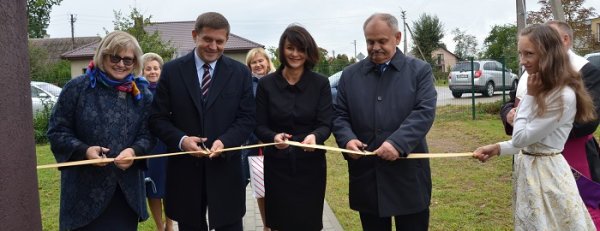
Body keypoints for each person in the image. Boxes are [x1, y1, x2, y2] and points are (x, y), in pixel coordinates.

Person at [474, 23, 596, 230]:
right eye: (521, 54)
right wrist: (497, 148)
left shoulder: (561, 95)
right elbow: (532, 144)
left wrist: (529, 96)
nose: (523, 61)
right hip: (532, 173)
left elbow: (521, 138)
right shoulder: (544, 88)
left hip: (547, 178)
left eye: (529, 54)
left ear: (549, 54)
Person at [148, 12, 255, 231]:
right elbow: (157, 118)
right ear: (195, 35)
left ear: (226, 40)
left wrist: (226, 142)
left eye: (219, 41)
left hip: (226, 170)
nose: (213, 46)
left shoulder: (240, 73)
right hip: (186, 172)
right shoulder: (171, 70)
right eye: (207, 39)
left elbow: (247, 118)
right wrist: (181, 140)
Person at [332, 13, 437, 231]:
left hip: (408, 177)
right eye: (370, 41)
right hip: (368, 178)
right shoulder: (350, 76)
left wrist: (397, 143)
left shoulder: (419, 71)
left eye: (382, 41)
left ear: (397, 38)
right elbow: (339, 115)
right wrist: (347, 140)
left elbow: (424, 112)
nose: (375, 47)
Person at [46, 30, 154, 230]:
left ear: (135, 63)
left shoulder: (142, 95)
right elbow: (57, 131)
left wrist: (134, 151)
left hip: (125, 193)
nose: (121, 64)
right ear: (102, 56)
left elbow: (148, 135)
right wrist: (85, 150)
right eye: (115, 57)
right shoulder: (77, 88)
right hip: (83, 193)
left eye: (128, 60)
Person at [254, 24, 333, 231]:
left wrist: (315, 137)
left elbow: (325, 124)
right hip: (277, 166)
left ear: (309, 52)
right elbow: (259, 125)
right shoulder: (266, 84)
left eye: (301, 49)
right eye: (290, 48)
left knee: (308, 223)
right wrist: (273, 137)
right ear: (282, 49)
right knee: (279, 222)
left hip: (310, 166)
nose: (295, 54)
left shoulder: (320, 84)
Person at [243, 47, 275, 231]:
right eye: (253, 62)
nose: (257, 65)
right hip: (256, 144)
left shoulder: (278, 81)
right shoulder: (247, 85)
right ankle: (266, 225)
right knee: (260, 188)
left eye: (260, 60)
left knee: (278, 187)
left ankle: (280, 221)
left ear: (268, 62)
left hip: (276, 143)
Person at [141, 52, 174, 231]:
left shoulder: (168, 89)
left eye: (156, 68)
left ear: (161, 70)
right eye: (148, 68)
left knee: (168, 187)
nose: (152, 72)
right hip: (150, 146)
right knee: (153, 188)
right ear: (143, 71)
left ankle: (170, 225)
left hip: (167, 144)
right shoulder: (138, 90)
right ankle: (159, 226)